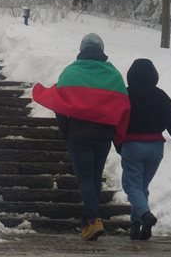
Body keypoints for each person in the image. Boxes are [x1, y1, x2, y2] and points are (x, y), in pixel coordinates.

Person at [32, 33, 131, 241]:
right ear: (101, 50)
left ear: (82, 49)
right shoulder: (113, 74)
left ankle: (94, 219)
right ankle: (87, 225)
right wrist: (115, 133)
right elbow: (123, 104)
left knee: (86, 179)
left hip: (79, 133)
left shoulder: (72, 72)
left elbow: (59, 105)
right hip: (104, 134)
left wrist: (66, 132)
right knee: (94, 178)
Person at [120, 59, 171, 241]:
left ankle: (145, 215)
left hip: (133, 146)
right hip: (155, 148)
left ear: (131, 76)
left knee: (131, 185)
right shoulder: (161, 96)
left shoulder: (125, 94)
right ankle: (136, 225)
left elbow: (117, 119)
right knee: (141, 187)